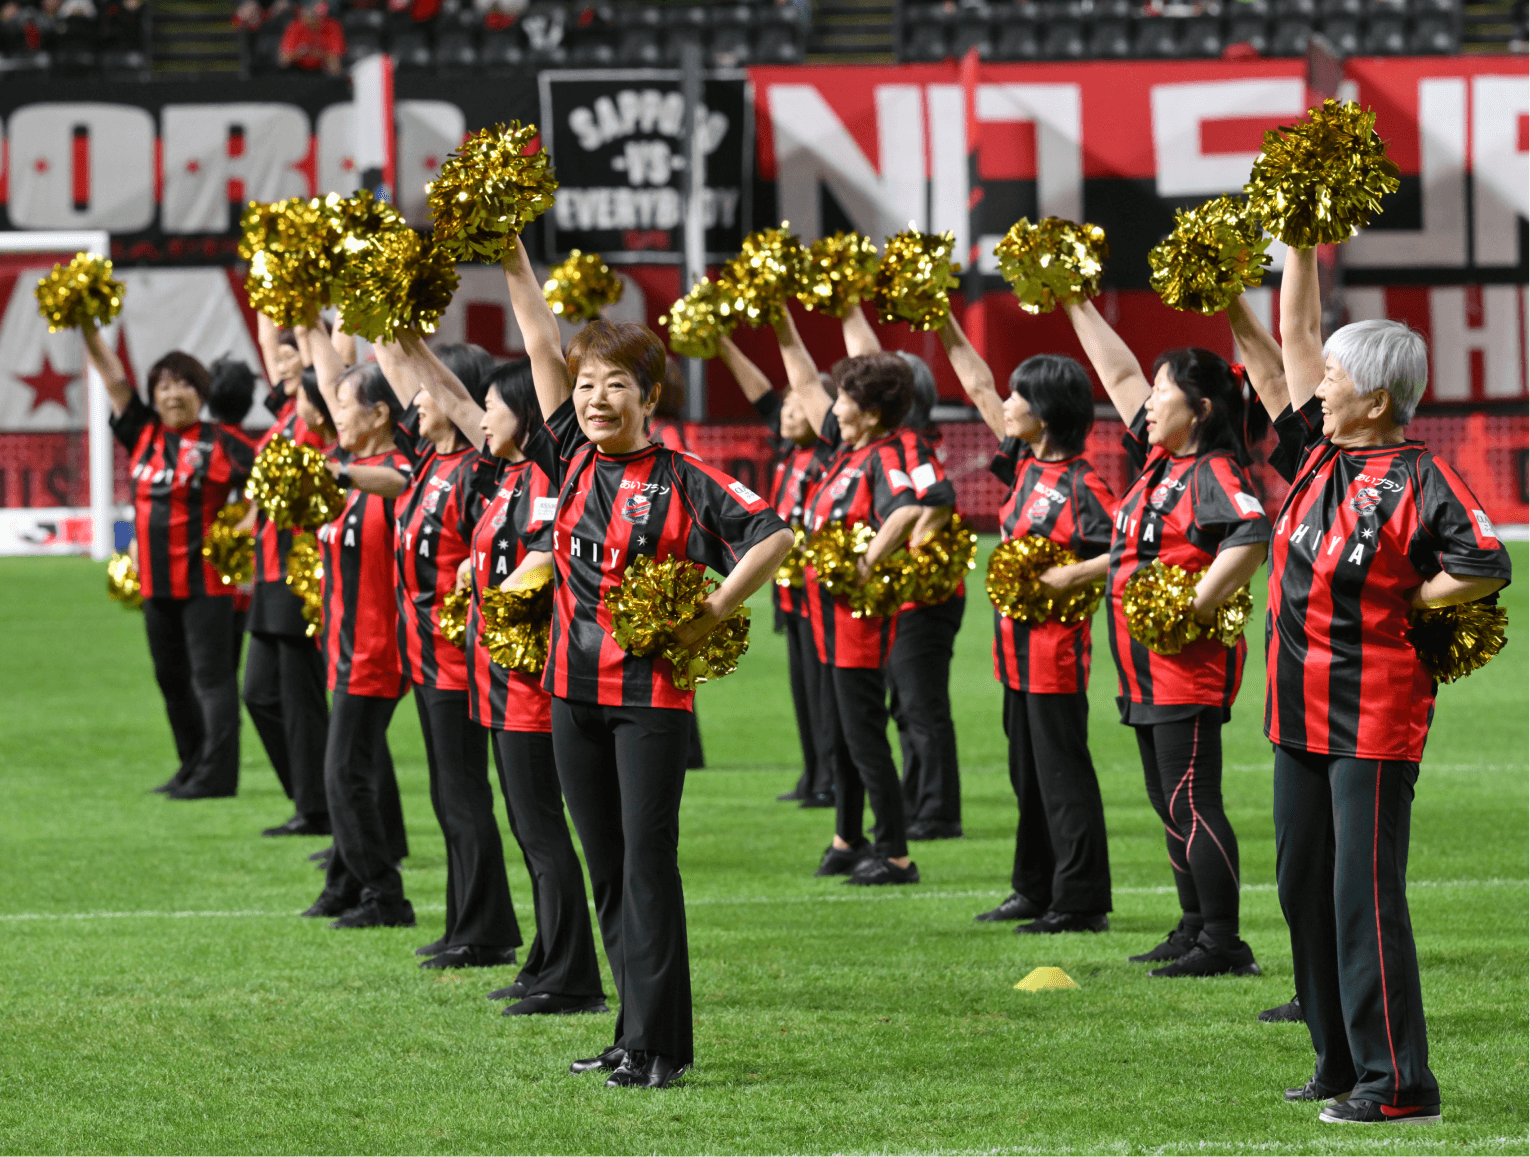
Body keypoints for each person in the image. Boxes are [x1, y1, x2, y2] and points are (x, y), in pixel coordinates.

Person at [506, 235, 793, 1088]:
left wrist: (708, 613)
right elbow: (534, 337)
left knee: (646, 861)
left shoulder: (684, 475)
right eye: (586, 383)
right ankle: (630, 1033)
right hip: (569, 692)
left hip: (648, 700)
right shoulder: (567, 454)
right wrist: (510, 246)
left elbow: (774, 533)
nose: (595, 398)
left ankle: (662, 1045)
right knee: (604, 865)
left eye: (615, 385)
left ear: (649, 395)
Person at [1255, 247, 1510, 1123]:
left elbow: (1485, 561)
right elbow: (1292, 329)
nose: (1318, 386)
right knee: (1302, 889)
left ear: (1376, 398)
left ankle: (1400, 1083)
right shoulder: (1315, 455)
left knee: (1363, 897)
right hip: (1295, 712)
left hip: (1370, 716)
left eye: (1334, 377)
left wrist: (1414, 593)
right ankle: (1336, 1061)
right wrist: (1299, 233)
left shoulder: (1420, 477)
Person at [403, 305, 609, 1015]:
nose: (480, 418)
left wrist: (521, 573)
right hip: (497, 677)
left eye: (493, 407)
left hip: (532, 684)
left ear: (524, 414)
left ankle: (574, 974)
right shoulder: (503, 479)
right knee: (530, 829)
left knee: (543, 829)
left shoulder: (549, 479)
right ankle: (546, 957)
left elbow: (553, 558)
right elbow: (455, 403)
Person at [1065, 296, 1269, 978]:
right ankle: (1192, 924)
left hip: (1184, 665)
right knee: (1167, 798)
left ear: (1202, 409)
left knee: (1190, 796)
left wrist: (1195, 604)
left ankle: (1225, 941)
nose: (1148, 405)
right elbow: (1120, 376)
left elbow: (1251, 534)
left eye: (1164, 394)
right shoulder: (1160, 466)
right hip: (1144, 668)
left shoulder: (1211, 471)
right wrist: (1073, 301)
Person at [938, 311, 1116, 933]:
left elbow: (1128, 550)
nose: (1006, 405)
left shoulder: (1083, 484)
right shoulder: (1023, 463)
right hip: (1014, 654)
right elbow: (979, 388)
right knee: (1028, 776)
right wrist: (944, 322)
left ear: (1045, 411)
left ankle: (1081, 901)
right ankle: (1033, 888)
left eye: (1020, 396)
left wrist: (1069, 576)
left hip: (1057, 654)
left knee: (1063, 779)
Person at [366, 337, 533, 969]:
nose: (413, 404)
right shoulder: (427, 461)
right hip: (426, 657)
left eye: (424, 395)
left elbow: (448, 390)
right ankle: (467, 919)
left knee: (464, 799)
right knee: (447, 797)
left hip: (461, 662)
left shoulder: (473, 468)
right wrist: (382, 326)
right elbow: (397, 368)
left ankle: (485, 931)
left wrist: (413, 348)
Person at [775, 308, 951, 887]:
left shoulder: (885, 453)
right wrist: (779, 320)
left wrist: (867, 562)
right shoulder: (847, 452)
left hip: (856, 619)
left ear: (870, 411)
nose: (832, 404)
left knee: (863, 735)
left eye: (845, 395)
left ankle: (896, 852)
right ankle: (847, 836)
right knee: (839, 734)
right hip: (824, 616)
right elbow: (803, 379)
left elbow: (904, 509)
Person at [83, 322, 253, 799]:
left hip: (207, 584)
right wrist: (85, 325)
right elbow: (115, 379)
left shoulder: (223, 442)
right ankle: (191, 764)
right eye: (162, 385)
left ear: (201, 393)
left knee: (212, 680)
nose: (171, 393)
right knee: (171, 679)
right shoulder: (143, 433)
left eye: (182, 384)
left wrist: (245, 526)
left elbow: (272, 482)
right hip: (156, 583)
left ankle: (219, 776)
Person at [299, 330, 415, 931]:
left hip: (378, 649)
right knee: (349, 770)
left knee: (344, 774)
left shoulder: (393, 467)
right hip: (343, 647)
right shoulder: (351, 468)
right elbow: (324, 380)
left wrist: (342, 473)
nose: (333, 415)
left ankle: (385, 896)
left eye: (344, 407)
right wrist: (308, 326)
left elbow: (402, 483)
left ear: (378, 413)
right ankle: (344, 886)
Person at [715, 334, 834, 809]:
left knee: (825, 693)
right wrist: (724, 343)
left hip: (821, 587)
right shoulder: (789, 450)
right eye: (786, 409)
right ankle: (813, 774)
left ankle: (830, 779)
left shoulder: (831, 451)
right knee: (804, 692)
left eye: (799, 407)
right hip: (791, 593)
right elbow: (761, 391)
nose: (787, 414)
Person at [242, 318, 332, 839]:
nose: (279, 361)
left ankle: (318, 809)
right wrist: (269, 268)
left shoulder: (322, 418)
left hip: (302, 573)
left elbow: (328, 347)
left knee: (299, 699)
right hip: (270, 572)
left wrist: (307, 322)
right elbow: (267, 339)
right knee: (260, 694)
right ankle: (309, 797)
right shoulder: (284, 414)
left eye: (291, 354)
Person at [277, 0, 343, 73]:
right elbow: (283, 61)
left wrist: (321, 55)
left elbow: (335, 66)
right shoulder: (295, 26)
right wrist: (299, 53)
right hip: (297, 71)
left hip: (321, 72)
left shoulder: (333, 26)